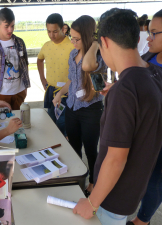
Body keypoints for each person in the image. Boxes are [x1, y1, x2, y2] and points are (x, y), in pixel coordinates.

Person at [73, 8, 162, 225]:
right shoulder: (152, 73)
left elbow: (115, 159)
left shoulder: (125, 91)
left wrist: (92, 202)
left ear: (105, 42)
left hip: (111, 198)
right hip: (132, 192)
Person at [53, 15, 106, 196]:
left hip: (91, 110)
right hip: (72, 108)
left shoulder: (99, 56)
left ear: (87, 36)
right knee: (73, 147)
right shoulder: (73, 54)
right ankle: (77, 177)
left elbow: (87, 66)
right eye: (71, 38)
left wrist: (95, 44)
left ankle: (93, 182)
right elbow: (71, 80)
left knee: (91, 150)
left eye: (76, 38)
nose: (72, 42)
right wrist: (60, 93)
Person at [126, 9, 162, 225]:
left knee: (156, 179)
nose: (148, 38)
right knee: (145, 175)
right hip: (146, 132)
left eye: (154, 33)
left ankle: (142, 220)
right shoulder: (148, 57)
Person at [0, 7, 30, 110]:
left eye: (12, 26)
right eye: (6, 26)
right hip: (1, 95)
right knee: (3, 122)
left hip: (19, 92)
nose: (10, 30)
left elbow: (25, 64)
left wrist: (25, 88)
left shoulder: (20, 42)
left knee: (18, 122)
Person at [37, 13, 74, 137]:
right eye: (48, 31)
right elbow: (39, 60)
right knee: (51, 124)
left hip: (66, 93)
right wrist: (42, 79)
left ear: (63, 28)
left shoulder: (72, 46)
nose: (51, 35)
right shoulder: (46, 46)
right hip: (51, 90)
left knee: (63, 127)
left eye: (55, 31)